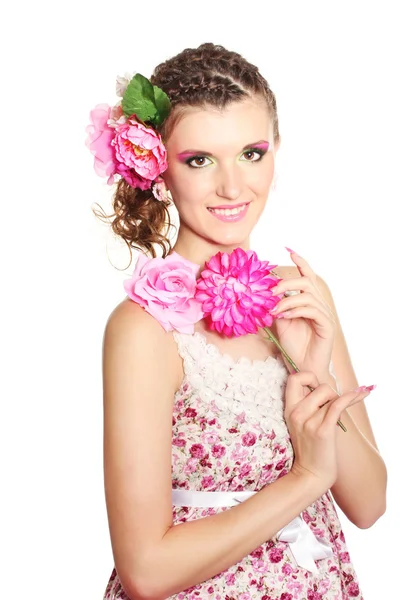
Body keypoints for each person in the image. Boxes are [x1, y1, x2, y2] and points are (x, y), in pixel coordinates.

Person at [87, 42, 387, 599]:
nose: (233, 186)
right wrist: (305, 480)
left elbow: (369, 505)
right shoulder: (144, 330)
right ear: (158, 170)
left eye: (251, 152)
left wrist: (312, 371)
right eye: (199, 160)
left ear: (276, 150)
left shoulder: (300, 295)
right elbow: (145, 571)